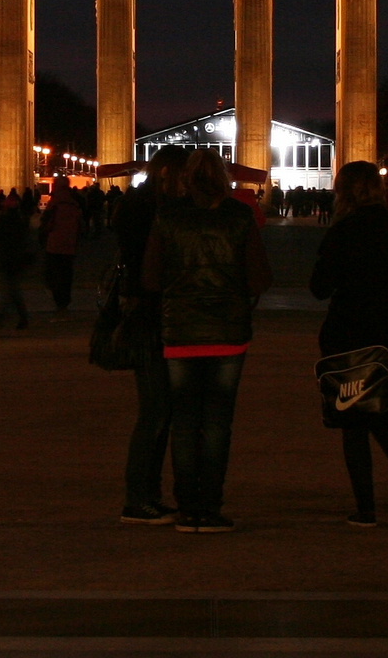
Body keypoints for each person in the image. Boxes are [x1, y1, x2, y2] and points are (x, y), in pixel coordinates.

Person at [142, 149, 272, 534]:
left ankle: (187, 509)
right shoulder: (238, 216)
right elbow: (260, 278)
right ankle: (210, 508)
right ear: (224, 177)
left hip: (180, 333)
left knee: (184, 423)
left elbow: (150, 279)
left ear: (185, 178)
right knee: (217, 424)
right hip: (228, 334)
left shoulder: (168, 216)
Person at [309, 161, 388, 527]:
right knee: (381, 412)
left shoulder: (344, 231)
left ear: (343, 190)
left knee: (353, 421)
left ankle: (366, 508)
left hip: (347, 333)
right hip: (386, 333)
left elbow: (319, 287)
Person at [112, 146, 188, 524]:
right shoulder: (155, 212)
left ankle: (148, 495)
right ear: (167, 175)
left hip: (146, 315)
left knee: (159, 411)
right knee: (156, 411)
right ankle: (139, 498)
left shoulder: (136, 205)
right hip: (152, 317)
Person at [39, 175, 83, 312]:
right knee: (66, 274)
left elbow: (45, 223)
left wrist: (42, 239)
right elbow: (80, 225)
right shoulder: (74, 203)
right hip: (69, 245)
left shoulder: (54, 203)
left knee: (53, 272)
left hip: (54, 244)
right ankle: (65, 300)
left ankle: (57, 298)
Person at [0, 203, 32, 328]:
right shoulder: (20, 222)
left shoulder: (4, 222)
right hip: (18, 259)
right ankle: (8, 316)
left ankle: (7, 316)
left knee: (12, 289)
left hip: (8, 258)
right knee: (12, 289)